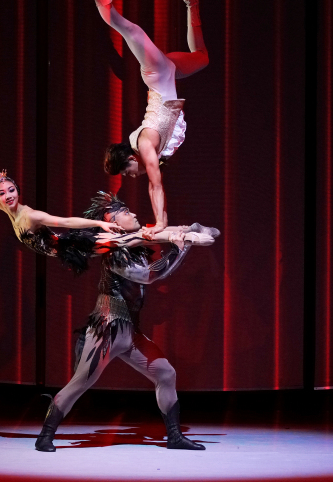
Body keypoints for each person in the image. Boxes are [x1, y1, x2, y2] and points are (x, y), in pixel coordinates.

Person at [34, 191, 218, 452]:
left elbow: (184, 234)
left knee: (166, 374)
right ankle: (44, 436)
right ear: (115, 224)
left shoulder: (136, 242)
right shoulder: (115, 254)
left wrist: (192, 231)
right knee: (79, 384)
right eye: (125, 212)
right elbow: (148, 275)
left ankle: (175, 436)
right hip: (107, 329)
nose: (133, 213)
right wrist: (180, 248)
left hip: (129, 331)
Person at [81, 0, 209, 239]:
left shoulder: (144, 145)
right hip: (167, 73)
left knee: (127, 28)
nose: (131, 176)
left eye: (127, 172)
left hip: (157, 72)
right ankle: (191, 2)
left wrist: (161, 222)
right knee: (202, 58)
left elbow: (155, 184)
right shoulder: (148, 147)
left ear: (130, 158)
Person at [0, 169, 213, 273]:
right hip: (69, 247)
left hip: (76, 244)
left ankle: (188, 235)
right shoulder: (9, 210)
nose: (8, 195)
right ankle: (187, 230)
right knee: (129, 240)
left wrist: (99, 225)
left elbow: (65, 222)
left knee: (130, 239)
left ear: (18, 190)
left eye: (11, 190)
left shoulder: (29, 215)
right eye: (3, 193)